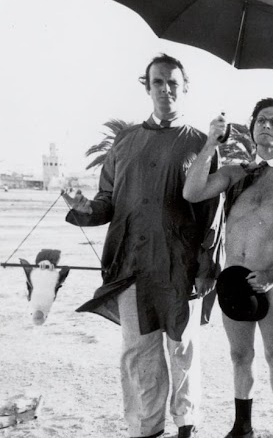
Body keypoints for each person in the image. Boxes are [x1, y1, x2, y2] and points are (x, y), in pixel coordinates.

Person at [62, 54, 222, 438]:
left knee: (182, 349)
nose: (165, 89)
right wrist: (83, 207)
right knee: (139, 351)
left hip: (181, 268)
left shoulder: (202, 144)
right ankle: (146, 428)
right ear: (147, 87)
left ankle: (186, 425)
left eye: (172, 82)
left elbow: (212, 214)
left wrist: (206, 267)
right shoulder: (124, 142)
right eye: (157, 82)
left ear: (185, 87)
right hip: (130, 267)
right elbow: (106, 203)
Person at [183, 98, 273, 438]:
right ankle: (243, 427)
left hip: (272, 283)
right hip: (233, 280)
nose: (267, 126)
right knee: (240, 355)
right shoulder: (235, 173)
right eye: (261, 120)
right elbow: (192, 192)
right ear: (252, 129)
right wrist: (211, 142)